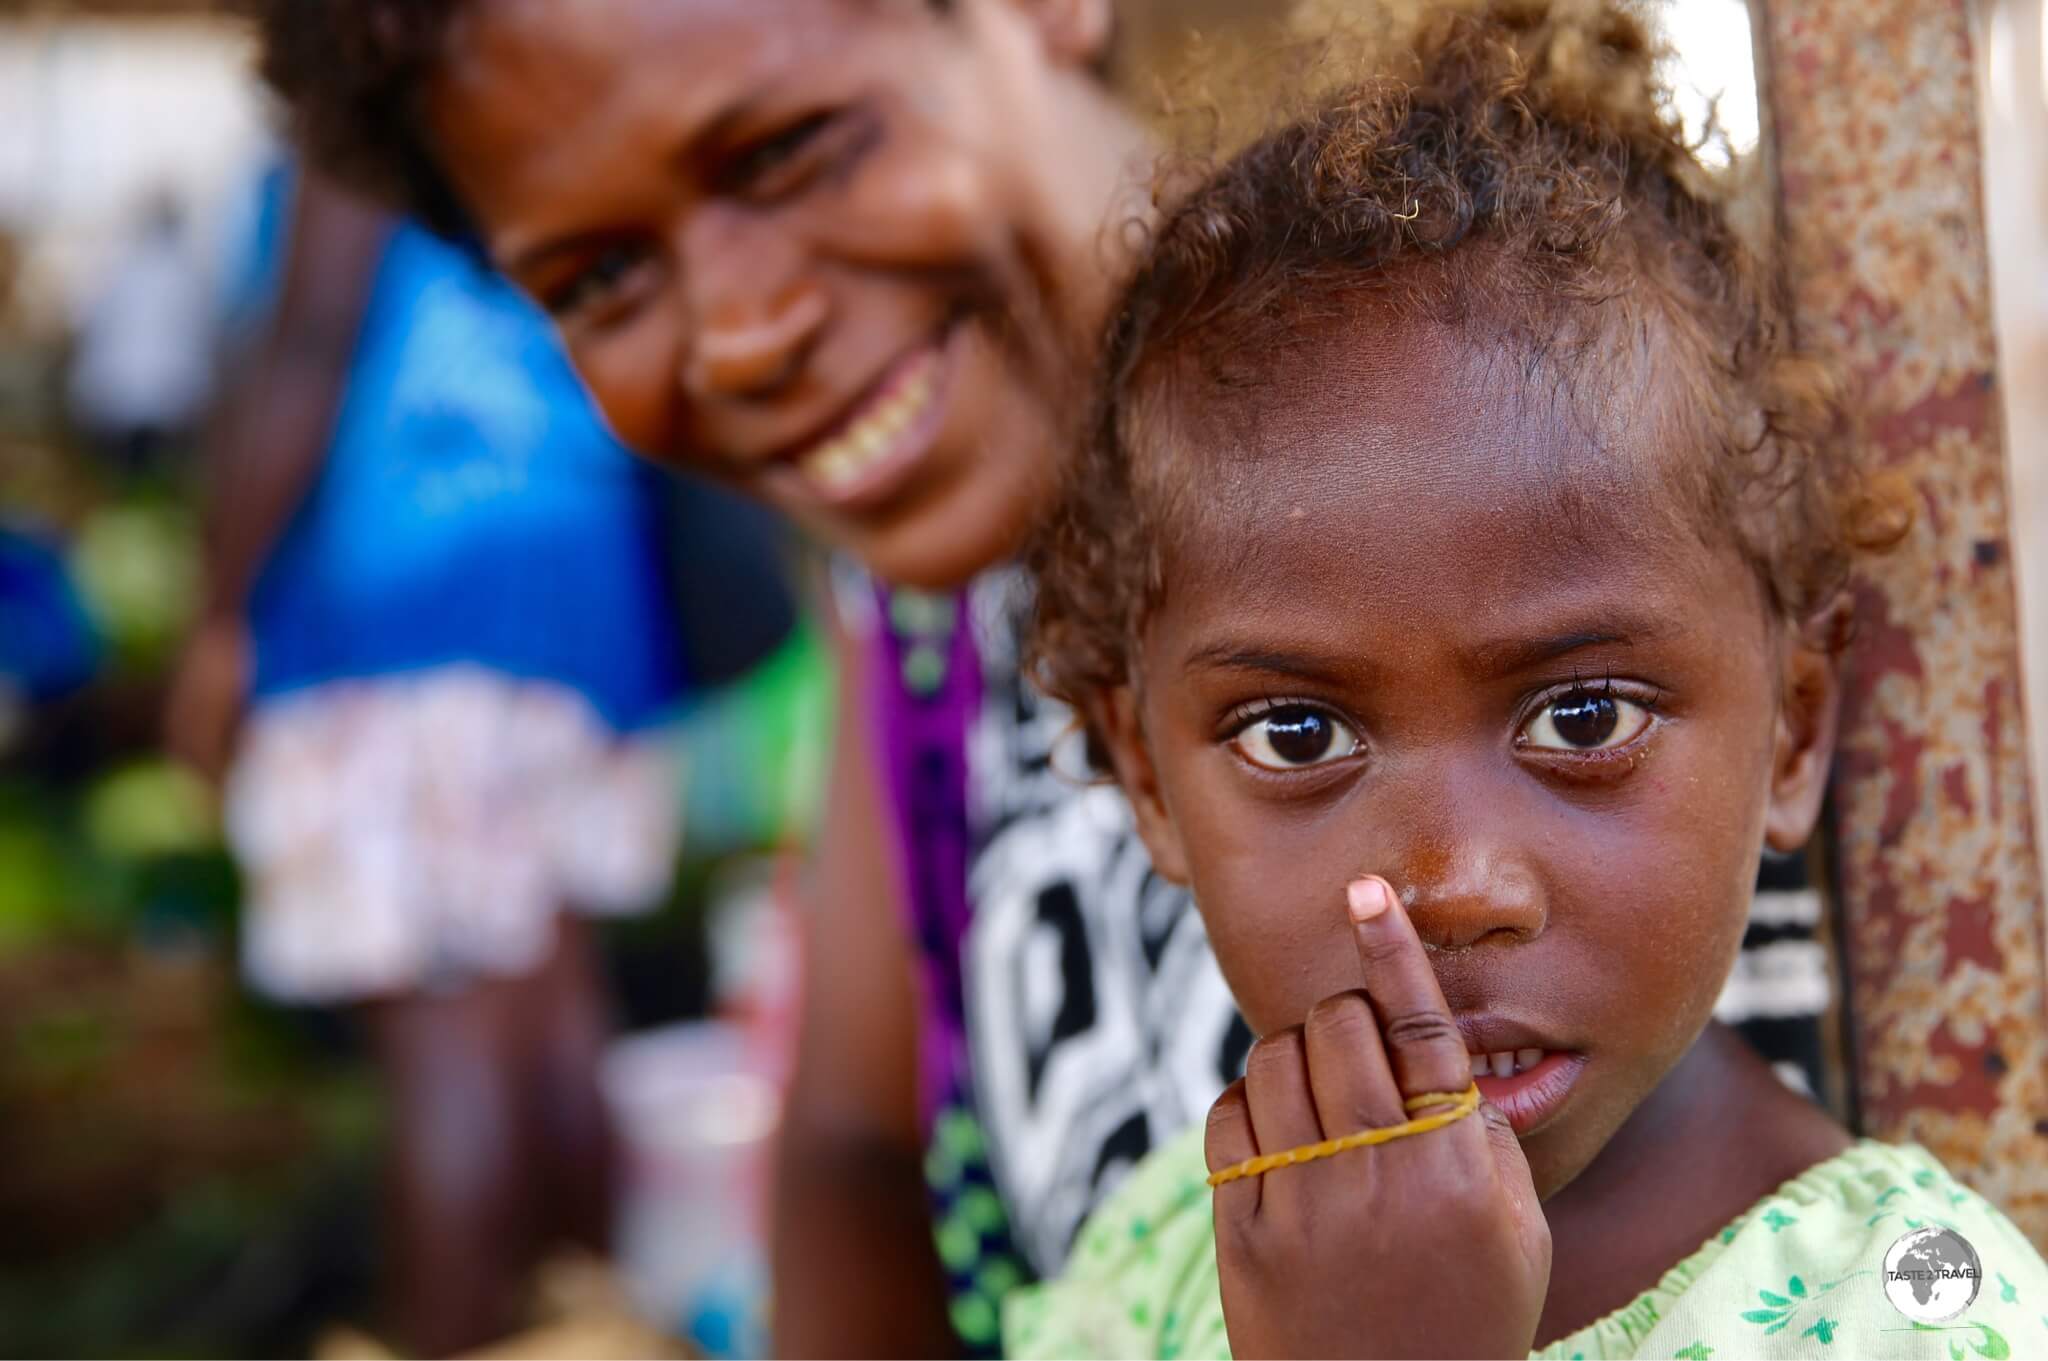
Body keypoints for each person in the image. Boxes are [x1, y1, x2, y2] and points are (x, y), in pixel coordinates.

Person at [250, 1, 1849, 1353]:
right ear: (1129, 757)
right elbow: (856, 1148)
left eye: (795, 150)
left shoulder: (1576, 443)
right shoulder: (923, 608)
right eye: (599, 280)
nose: (738, 333)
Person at [1006, 3, 2048, 1356]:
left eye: (1584, 716)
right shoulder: (1176, 1245)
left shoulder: (1916, 1309)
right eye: (1299, 731)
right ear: (1145, 776)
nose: (1449, 882)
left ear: (1791, 730)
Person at [165, 162, 688, 1356]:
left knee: (443, 1032)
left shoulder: (360, 66)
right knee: (552, 1009)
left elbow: (307, 342)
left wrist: (217, 613)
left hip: (398, 593)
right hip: (574, 593)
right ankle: (586, 1323)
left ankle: (455, 1336)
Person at [66, 192, 216, 479]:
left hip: (125, 400)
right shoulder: (189, 273)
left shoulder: (119, 269)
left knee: (126, 480)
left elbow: (90, 326)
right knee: (152, 482)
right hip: (167, 402)